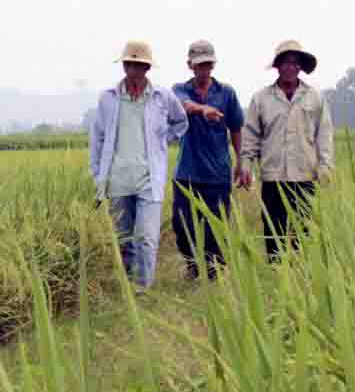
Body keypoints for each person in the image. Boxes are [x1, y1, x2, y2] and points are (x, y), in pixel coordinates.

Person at [88, 41, 223, 291]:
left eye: (139, 65)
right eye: (130, 65)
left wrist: (163, 140)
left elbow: (181, 122)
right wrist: (97, 175)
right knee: (124, 239)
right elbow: (98, 138)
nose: (134, 70)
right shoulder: (108, 99)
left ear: (147, 68)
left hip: (149, 179)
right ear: (124, 66)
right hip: (118, 179)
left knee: (146, 238)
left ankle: (143, 288)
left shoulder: (162, 97)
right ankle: (129, 284)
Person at [237, 40, 335, 260]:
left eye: (295, 62)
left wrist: (325, 166)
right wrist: (246, 166)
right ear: (278, 66)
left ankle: (301, 276)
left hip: (304, 177)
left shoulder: (315, 97)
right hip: (274, 178)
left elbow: (324, 134)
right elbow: (251, 136)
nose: (291, 67)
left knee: (303, 234)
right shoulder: (261, 99)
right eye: (286, 62)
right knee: (274, 235)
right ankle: (275, 273)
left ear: (300, 67)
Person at [169, 40, 245, 279]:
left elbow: (236, 128)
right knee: (182, 224)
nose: (204, 70)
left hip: (217, 174)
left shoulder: (226, 93)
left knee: (216, 226)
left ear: (213, 65)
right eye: (200, 65)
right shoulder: (179, 90)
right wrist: (202, 109)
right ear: (190, 65)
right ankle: (193, 265)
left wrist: (241, 162)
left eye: (208, 65)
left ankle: (215, 271)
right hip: (187, 172)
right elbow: (182, 105)